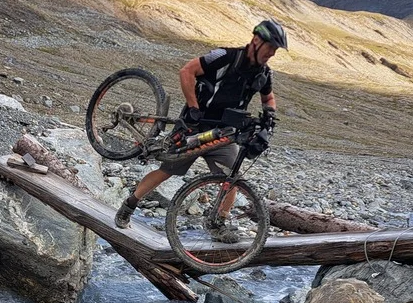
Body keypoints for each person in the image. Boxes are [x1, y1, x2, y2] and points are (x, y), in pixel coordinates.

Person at [113, 19, 287, 239]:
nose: (272, 53)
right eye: (270, 47)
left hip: (223, 134)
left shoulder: (264, 74)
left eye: (275, 50)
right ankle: (129, 205)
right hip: (194, 126)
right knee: (167, 170)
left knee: (232, 178)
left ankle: (218, 224)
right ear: (256, 41)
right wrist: (193, 108)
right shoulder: (224, 56)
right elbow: (187, 71)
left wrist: (269, 114)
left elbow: (268, 97)